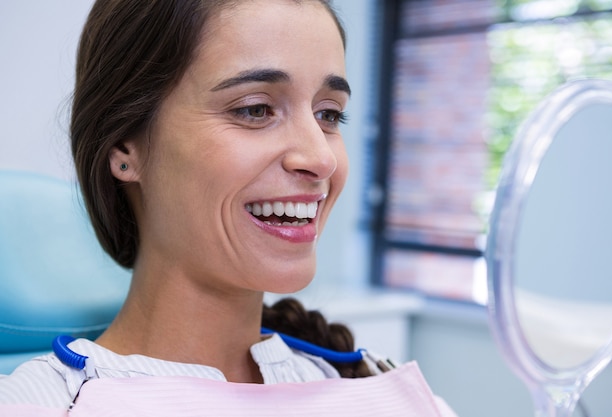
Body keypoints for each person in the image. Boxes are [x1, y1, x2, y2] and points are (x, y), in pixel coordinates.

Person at [0, 1, 456, 415]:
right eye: (256, 109)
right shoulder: (42, 404)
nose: (321, 158)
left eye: (329, 114)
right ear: (125, 146)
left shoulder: (378, 388)